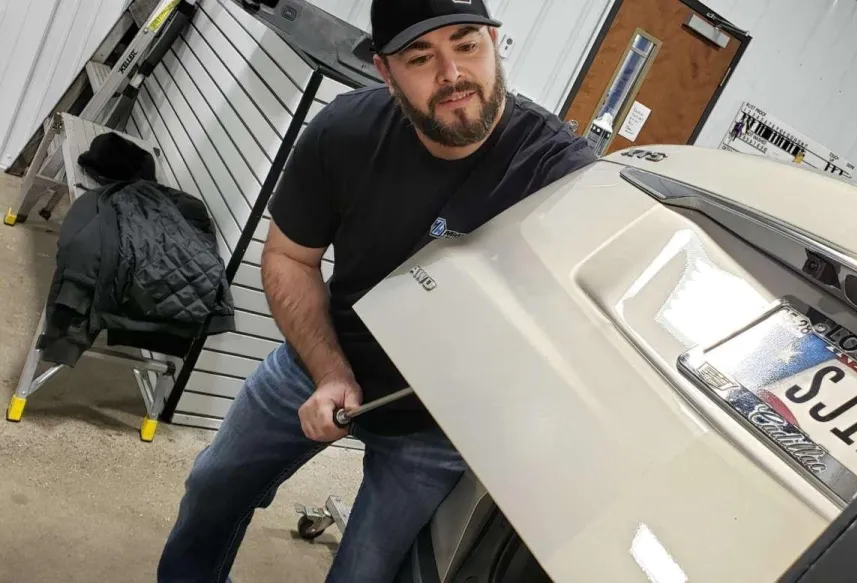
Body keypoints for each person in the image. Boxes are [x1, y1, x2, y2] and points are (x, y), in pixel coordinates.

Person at [157, 0, 597, 580]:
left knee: (364, 572)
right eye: (421, 57)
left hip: (437, 418)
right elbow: (289, 257)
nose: (453, 74)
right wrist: (328, 373)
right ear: (385, 72)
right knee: (214, 484)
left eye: (467, 45)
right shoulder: (344, 133)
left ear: (494, 45)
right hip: (327, 354)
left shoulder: (559, 172)